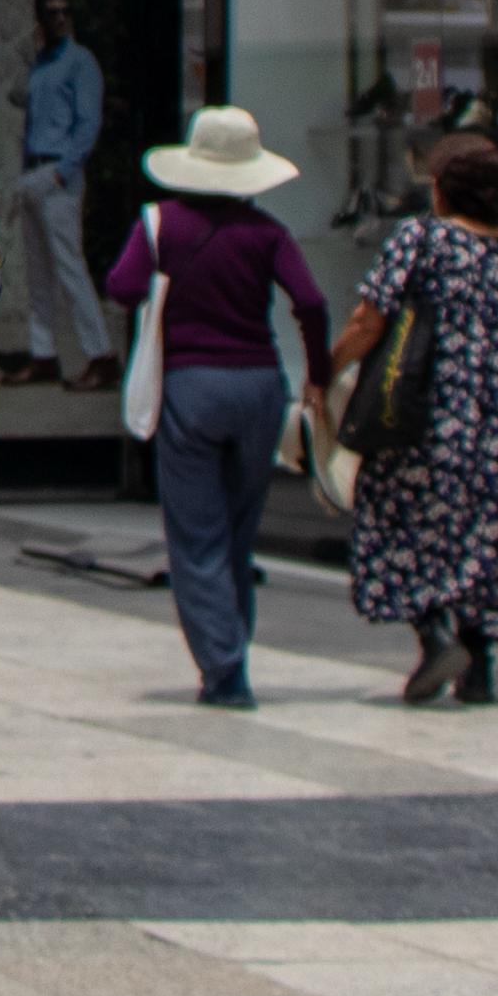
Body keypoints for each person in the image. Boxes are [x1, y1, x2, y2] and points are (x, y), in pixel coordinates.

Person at [330, 134, 498, 706]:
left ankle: (432, 635)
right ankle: (479, 666)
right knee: (490, 541)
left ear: (441, 191)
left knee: (399, 519)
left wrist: (323, 372)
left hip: (427, 427)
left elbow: (367, 321)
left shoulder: (420, 239)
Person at [97, 106, 330, 709]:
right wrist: (320, 377)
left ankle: (225, 669)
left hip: (192, 387)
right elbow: (310, 300)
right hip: (260, 387)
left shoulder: (159, 225)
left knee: (195, 535)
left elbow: (121, 288)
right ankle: (233, 643)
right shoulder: (270, 234)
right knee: (236, 533)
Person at [6, 0, 112, 387]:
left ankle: (101, 354)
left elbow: (88, 124)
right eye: (51, 13)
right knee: (38, 274)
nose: (60, 18)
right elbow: (16, 92)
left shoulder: (80, 62)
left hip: (57, 173)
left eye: (66, 11)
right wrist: (30, 48)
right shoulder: (40, 66)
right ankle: (43, 353)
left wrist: (63, 172)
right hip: (34, 169)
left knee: (70, 269)